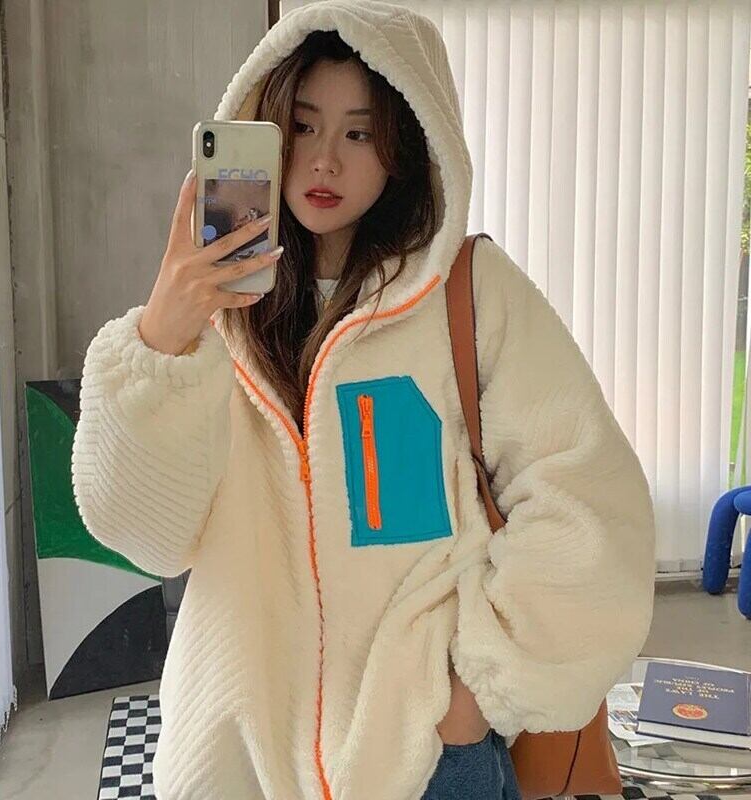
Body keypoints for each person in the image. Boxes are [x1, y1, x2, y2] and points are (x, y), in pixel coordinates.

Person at [71, 2, 657, 799]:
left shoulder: (469, 293)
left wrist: (473, 693)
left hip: (426, 759)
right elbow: (146, 536)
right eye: (303, 126)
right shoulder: (215, 321)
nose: (324, 161)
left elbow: (588, 502)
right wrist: (164, 337)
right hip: (238, 759)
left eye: (358, 133)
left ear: (403, 149)